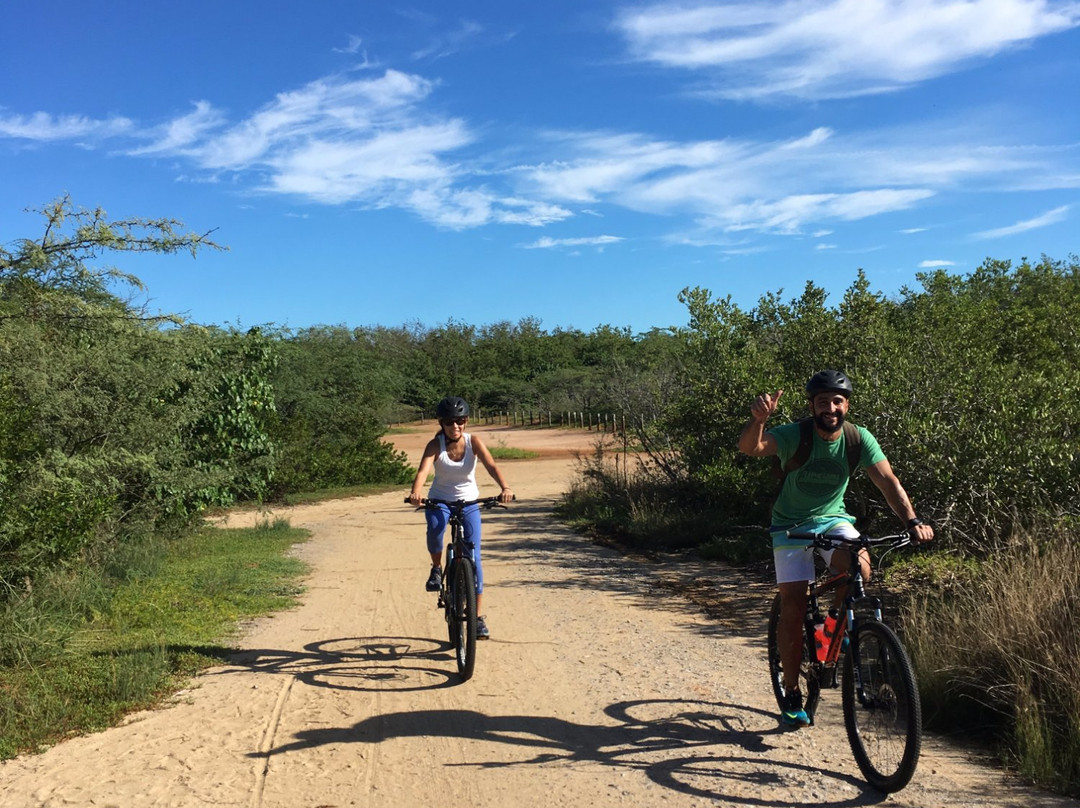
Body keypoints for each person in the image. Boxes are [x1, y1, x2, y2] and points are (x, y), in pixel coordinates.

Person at [737, 369, 934, 727]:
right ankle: (791, 690)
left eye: (837, 401)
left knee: (860, 567)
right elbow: (752, 447)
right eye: (823, 401)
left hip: (832, 519)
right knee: (794, 606)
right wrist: (759, 420)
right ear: (812, 406)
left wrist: (912, 521)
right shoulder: (796, 434)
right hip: (790, 527)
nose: (831, 408)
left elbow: (888, 481)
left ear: (847, 405)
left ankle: (830, 628)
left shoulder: (858, 438)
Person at [408, 396, 514, 640]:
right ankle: (437, 569)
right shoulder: (435, 445)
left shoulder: (473, 442)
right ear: (442, 423)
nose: (455, 426)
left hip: (468, 502)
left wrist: (505, 487)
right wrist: (416, 493)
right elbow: (423, 471)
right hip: (440, 500)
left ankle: (476, 617)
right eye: (449, 422)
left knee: (474, 558)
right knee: (436, 529)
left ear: (466, 421)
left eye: (460, 421)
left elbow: (491, 466)